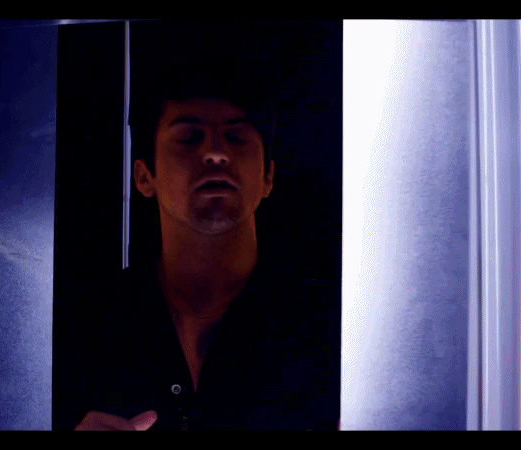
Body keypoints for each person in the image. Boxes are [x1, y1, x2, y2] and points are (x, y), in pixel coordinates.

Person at [71, 30, 340, 430]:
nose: (215, 153)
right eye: (189, 137)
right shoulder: (88, 328)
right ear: (144, 176)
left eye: (236, 136)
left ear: (268, 177)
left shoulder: (330, 329)